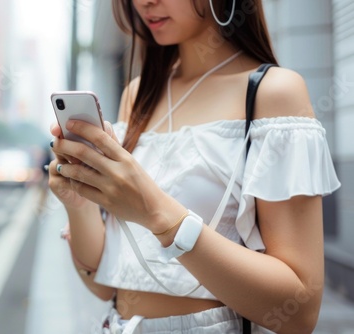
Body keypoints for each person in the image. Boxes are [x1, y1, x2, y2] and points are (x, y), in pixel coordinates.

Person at [47, 0, 341, 333]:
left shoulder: (272, 92)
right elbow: (105, 286)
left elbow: (298, 313)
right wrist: (80, 202)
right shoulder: (138, 95)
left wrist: (156, 213)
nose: (145, 2)